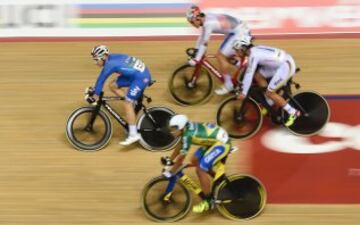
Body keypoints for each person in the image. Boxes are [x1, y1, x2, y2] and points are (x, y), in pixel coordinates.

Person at [162, 114, 233, 213]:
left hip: (222, 144)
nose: (171, 131)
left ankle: (208, 201)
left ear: (181, 128)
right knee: (194, 160)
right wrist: (170, 159)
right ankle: (217, 177)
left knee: (200, 169)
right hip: (214, 141)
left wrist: (171, 171)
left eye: (173, 129)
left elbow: (181, 158)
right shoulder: (185, 130)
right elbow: (180, 145)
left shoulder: (188, 135)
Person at [232, 36, 301, 127]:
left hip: (285, 67)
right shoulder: (254, 50)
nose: (236, 52)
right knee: (258, 75)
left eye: (237, 50)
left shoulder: (253, 55)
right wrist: (237, 63)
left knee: (270, 92)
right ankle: (269, 103)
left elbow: (249, 73)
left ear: (243, 48)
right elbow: (249, 66)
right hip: (281, 63)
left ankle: (293, 112)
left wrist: (244, 92)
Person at [90, 45, 151, 145]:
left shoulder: (110, 64)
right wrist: (95, 91)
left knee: (127, 103)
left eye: (96, 59)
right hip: (135, 74)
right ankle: (133, 101)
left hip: (140, 77)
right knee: (112, 85)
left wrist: (95, 94)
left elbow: (101, 79)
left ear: (104, 57)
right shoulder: (111, 57)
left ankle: (133, 134)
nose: (95, 62)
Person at [186, 5, 252, 95]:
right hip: (237, 31)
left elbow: (204, 44)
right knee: (226, 56)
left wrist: (196, 60)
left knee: (220, 56)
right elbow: (202, 36)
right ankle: (245, 68)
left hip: (240, 33)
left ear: (197, 18)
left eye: (191, 22)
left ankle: (229, 85)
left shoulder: (208, 24)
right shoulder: (205, 18)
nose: (192, 24)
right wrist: (196, 50)